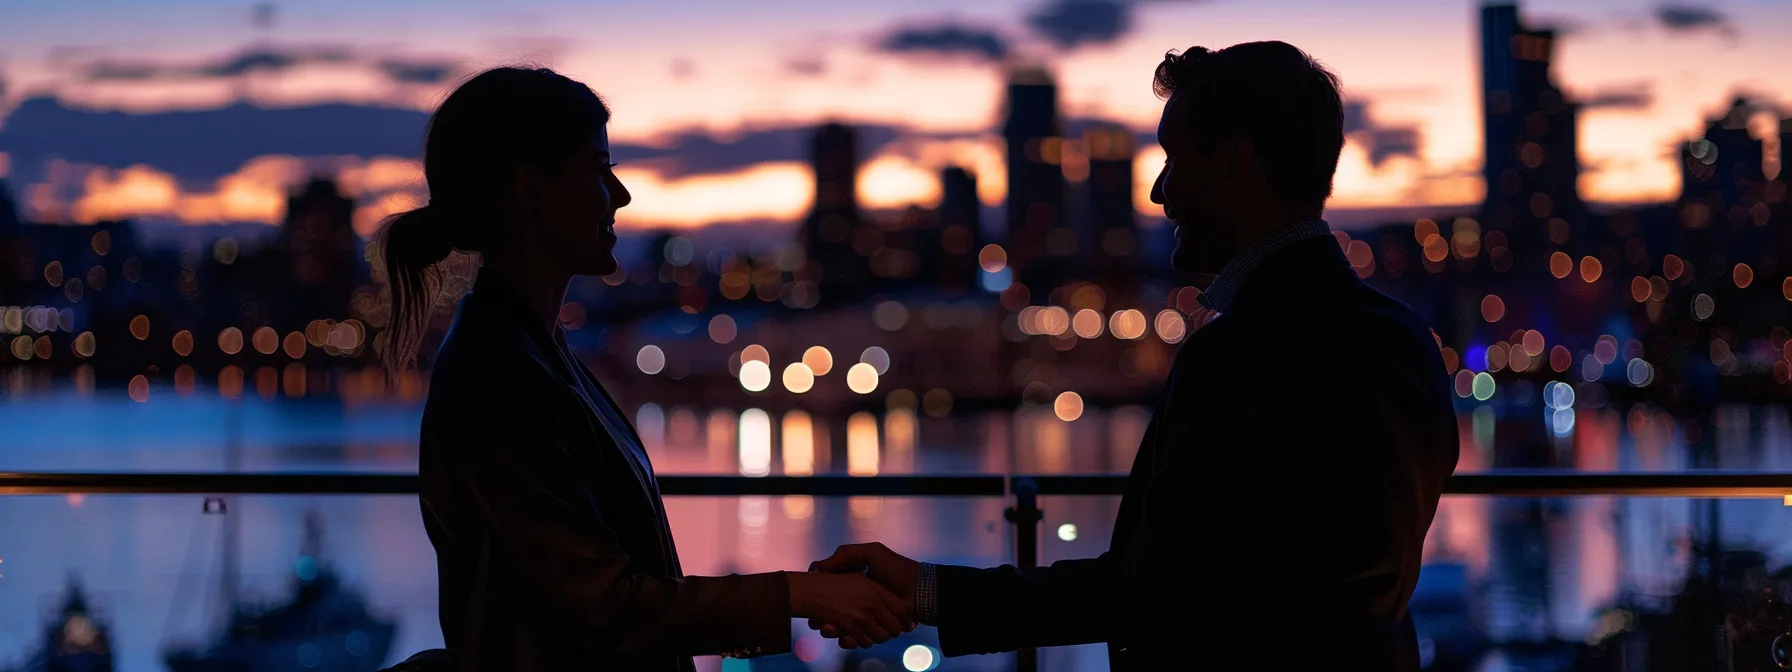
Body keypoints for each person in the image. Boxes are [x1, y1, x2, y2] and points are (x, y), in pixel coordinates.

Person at [812, 42, 1460, 670]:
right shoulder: (1404, 340)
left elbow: (1152, 593)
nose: (1158, 192)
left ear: (1236, 164)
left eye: (1175, 160)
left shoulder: (1234, 360)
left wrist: (931, 594)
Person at [383, 66, 911, 672]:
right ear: (531, 191)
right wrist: (800, 594)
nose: (621, 194)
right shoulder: (503, 375)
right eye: (598, 168)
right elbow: (607, 607)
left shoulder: (528, 353)